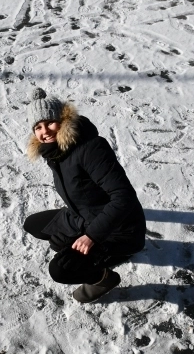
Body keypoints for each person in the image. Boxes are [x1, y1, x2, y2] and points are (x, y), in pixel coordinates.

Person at [23, 88, 146, 303]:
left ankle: (103, 278)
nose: (45, 132)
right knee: (33, 225)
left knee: (60, 270)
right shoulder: (55, 152)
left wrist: (91, 236)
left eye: (50, 123)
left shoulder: (91, 148)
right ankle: (79, 244)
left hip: (119, 231)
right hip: (82, 216)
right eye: (38, 127)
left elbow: (124, 197)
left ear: (63, 120)